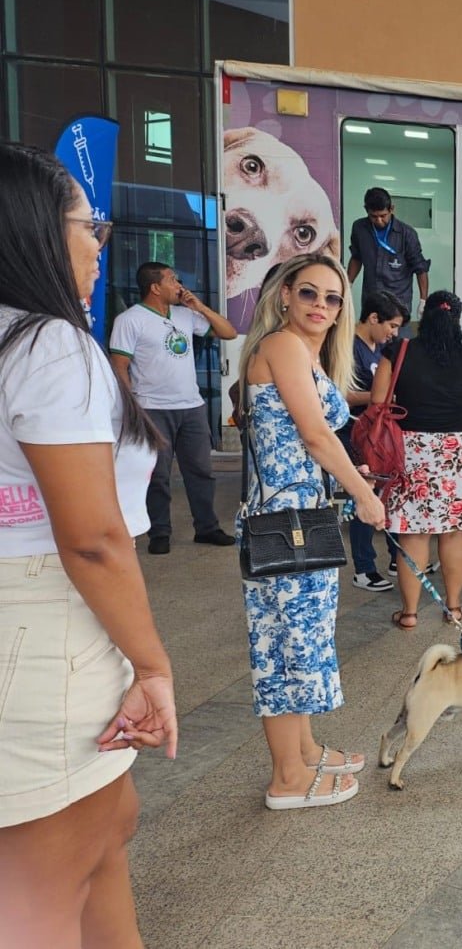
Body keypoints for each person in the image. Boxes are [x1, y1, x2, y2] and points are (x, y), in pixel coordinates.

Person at [0, 141, 178, 945]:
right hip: (47, 625)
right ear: (35, 229)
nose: (100, 245)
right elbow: (95, 538)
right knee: (47, 887)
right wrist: (153, 665)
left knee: (107, 831)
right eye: (90, 225)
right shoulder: (46, 345)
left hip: (44, 623)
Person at [236, 253, 387, 809]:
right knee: (285, 648)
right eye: (309, 293)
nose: (321, 305)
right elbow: (318, 437)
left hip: (302, 513)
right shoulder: (280, 346)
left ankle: (302, 753)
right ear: (284, 296)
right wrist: (365, 494)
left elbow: (312, 443)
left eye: (332, 297)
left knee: (305, 641)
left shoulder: (306, 353)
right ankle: (287, 779)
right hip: (284, 520)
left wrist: (352, 478)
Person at [373, 291, 462, 628]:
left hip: (410, 451)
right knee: (454, 533)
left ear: (423, 319)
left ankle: (409, 613)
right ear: (457, 320)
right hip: (458, 451)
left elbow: (379, 402)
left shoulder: (399, 352)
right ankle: (453, 608)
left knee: (413, 535)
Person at [108, 261, 238, 555]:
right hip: (152, 408)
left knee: (201, 470)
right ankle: (159, 532)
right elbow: (120, 365)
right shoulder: (130, 320)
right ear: (155, 287)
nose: (179, 285)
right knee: (158, 474)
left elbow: (228, 332)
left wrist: (200, 307)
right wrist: (133, 409)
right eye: (172, 279)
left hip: (191, 406)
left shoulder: (185, 316)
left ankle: (207, 528)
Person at [339, 290, 406, 592]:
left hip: (377, 435)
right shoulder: (346, 347)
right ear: (373, 318)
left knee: (385, 495)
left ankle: (395, 556)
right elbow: (341, 394)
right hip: (352, 432)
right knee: (365, 494)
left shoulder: (379, 349)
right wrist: (381, 397)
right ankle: (364, 568)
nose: (394, 333)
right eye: (391, 325)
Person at [345, 187, 430, 321]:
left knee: (397, 340)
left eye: (383, 216)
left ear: (392, 209)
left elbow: (420, 269)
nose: (379, 220)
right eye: (373, 216)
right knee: (368, 339)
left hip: (398, 304)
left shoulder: (407, 234)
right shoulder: (360, 228)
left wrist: (423, 300)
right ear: (366, 210)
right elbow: (356, 257)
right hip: (371, 300)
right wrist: (348, 284)